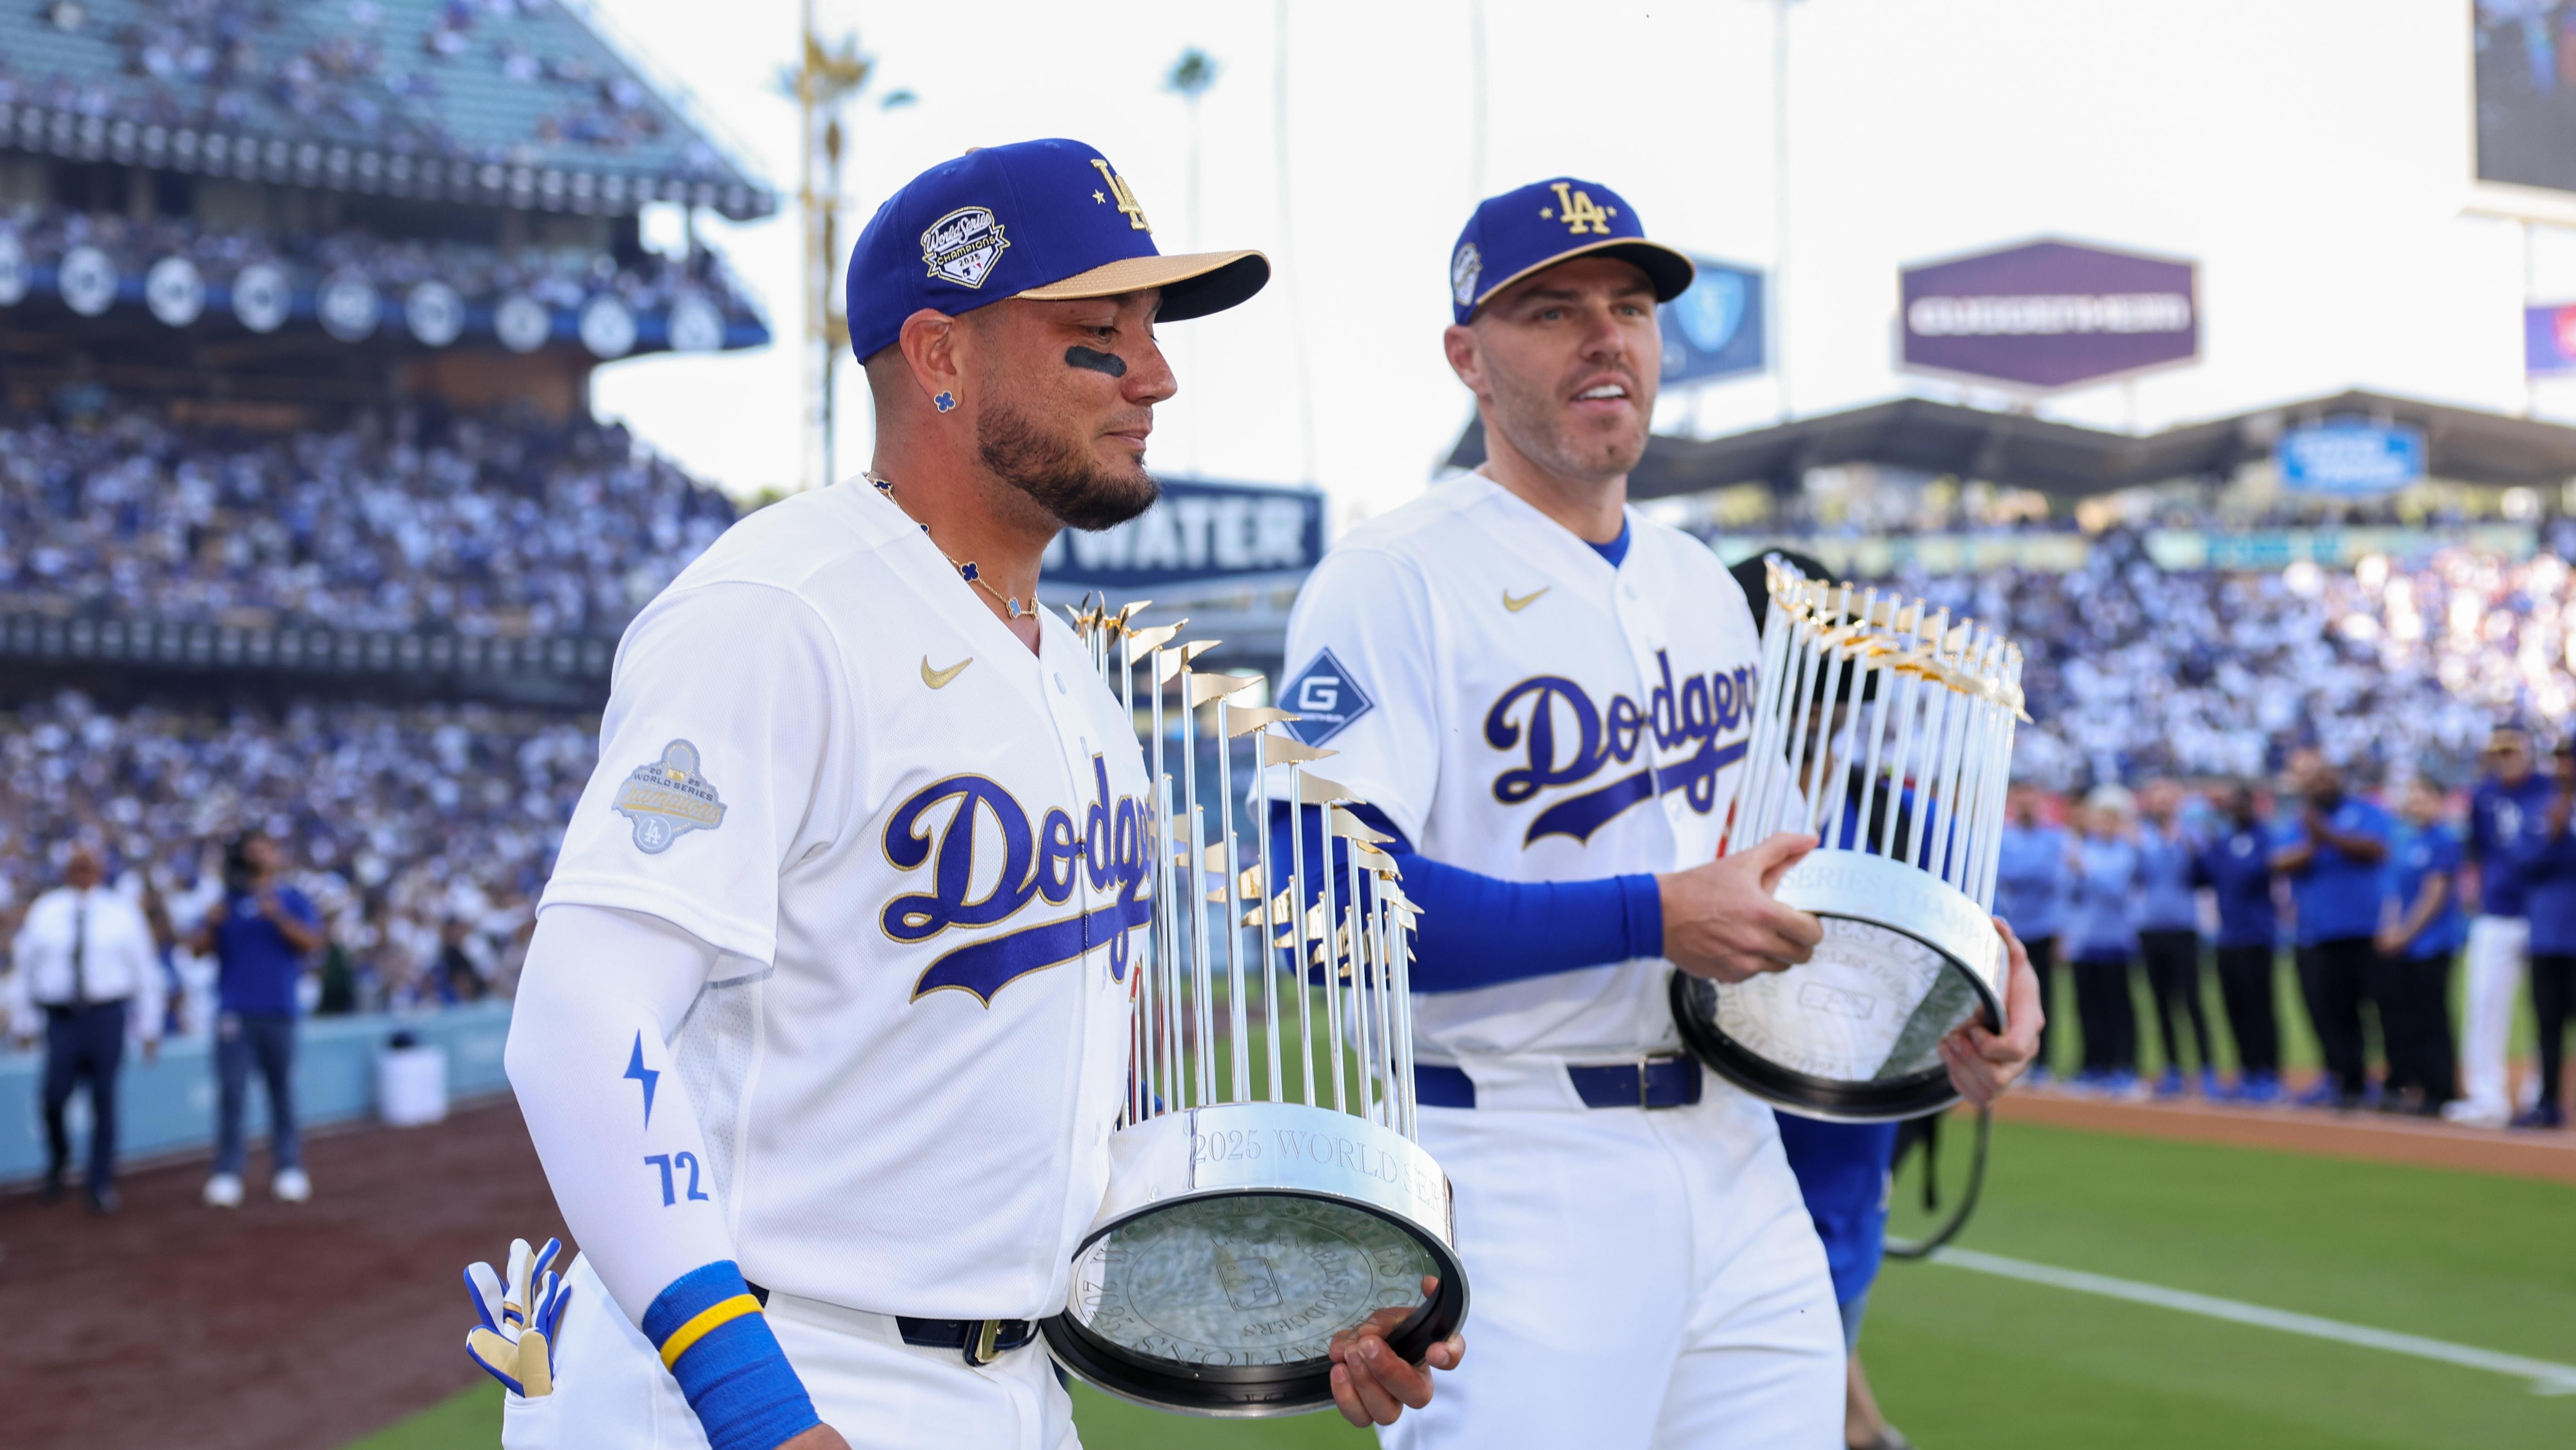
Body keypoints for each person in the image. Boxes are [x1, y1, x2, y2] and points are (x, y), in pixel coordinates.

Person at [485, 140, 1449, 1450]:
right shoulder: (780, 610)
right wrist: (757, 1411)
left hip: (1009, 1386)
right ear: (939, 357)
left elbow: (1041, 1117)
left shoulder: (1075, 681)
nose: (1155, 377)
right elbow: (580, 1027)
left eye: (1152, 332)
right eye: (1097, 338)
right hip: (778, 1370)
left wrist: (1312, 1298)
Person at [1269, 175, 2040, 1450]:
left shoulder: (1697, 584)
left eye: (1630, 305)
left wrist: (1961, 988)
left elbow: (1784, 889)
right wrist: (1648, 915)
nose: (1603, 336)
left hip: (1738, 1155)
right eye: (1551, 310)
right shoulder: (1389, 578)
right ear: (1467, 356)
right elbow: (1319, 903)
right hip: (1518, 1159)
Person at [5, 844, 163, 1214]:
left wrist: (150, 1025)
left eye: (90, 864)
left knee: (104, 1099)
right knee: (53, 1096)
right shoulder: (47, 911)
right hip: (61, 1019)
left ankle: (100, 1181)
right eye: (77, 864)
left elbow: (145, 970)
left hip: (106, 1016)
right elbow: (26, 968)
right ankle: (59, 1161)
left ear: (102, 869)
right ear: (66, 870)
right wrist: (24, 1019)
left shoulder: (121, 912)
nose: (83, 871)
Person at [193, 831, 324, 1208]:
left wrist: (277, 915)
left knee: (281, 1092)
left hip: (279, 1010)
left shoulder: (291, 899)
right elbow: (198, 950)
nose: (257, 856)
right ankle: (227, 1172)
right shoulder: (226, 901)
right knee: (232, 1094)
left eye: (264, 849)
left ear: (276, 855)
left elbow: (312, 945)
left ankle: (289, 1168)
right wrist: (212, 922)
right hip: (235, 1012)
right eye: (251, 849)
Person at [2269, 751, 2392, 1110]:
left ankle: (2390, 1080)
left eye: (2326, 777)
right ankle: (2342, 1080)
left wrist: (2327, 836)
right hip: (2317, 933)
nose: (2321, 784)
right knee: (2328, 1013)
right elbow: (2280, 860)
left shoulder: (2364, 811)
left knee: (2379, 1011)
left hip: (2365, 930)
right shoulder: (2300, 821)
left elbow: (2375, 849)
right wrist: (2316, 840)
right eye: (2314, 780)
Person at [2449, 727, 2551, 1127]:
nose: (2507, 757)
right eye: (2500, 751)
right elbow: (2475, 850)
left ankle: (2540, 1096)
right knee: (2484, 1004)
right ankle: (2487, 1097)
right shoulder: (2484, 795)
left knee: (2547, 1009)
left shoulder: (2550, 791)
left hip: (2544, 914)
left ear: (2528, 750)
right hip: (2496, 912)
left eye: (2513, 749)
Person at [2376, 778, 2463, 1116]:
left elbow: (2434, 895)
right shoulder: (2407, 841)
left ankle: (2440, 1090)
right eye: (2413, 797)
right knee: (2406, 1018)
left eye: (2423, 796)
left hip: (2432, 944)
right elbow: (2396, 892)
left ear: (2440, 801)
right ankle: (2414, 1085)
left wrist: (2403, 933)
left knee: (2432, 1018)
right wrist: (2389, 929)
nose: (2416, 803)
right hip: (2407, 946)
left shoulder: (2444, 840)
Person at [2193, 782, 2283, 1103]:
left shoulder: (2262, 838)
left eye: (2240, 804)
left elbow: (2249, 874)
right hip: (2227, 936)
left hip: (2257, 936)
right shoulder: (2223, 841)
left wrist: (2217, 856)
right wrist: (2197, 851)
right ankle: (2246, 1069)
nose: (2235, 810)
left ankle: (2268, 1071)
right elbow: (2200, 877)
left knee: (2261, 1006)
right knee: (2235, 1007)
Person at [2510, 738, 2576, 1131]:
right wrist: (2554, 837)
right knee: (2547, 1027)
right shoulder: (2542, 811)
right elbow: (2524, 862)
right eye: (2561, 760)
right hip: (2549, 937)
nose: (2564, 767)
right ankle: (2548, 1103)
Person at [2135, 779, 2215, 1098]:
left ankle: (2206, 1069)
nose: (2163, 804)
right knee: (2161, 1003)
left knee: (2192, 1001)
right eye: (2158, 798)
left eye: (2169, 798)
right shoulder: (2141, 836)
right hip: (2151, 929)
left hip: (2184, 928)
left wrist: (2192, 850)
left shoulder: (2193, 835)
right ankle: (2171, 1068)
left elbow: (2205, 877)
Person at [2064, 787, 2143, 1095]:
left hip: (2117, 941)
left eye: (2111, 818)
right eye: (2101, 818)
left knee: (2119, 1007)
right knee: (2088, 1007)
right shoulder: (2085, 849)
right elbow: (2070, 894)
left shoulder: (2125, 851)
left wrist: (2084, 870)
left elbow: (2115, 888)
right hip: (2085, 942)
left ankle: (2124, 1067)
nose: (2105, 824)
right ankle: (2093, 1065)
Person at [1994, 785, 2070, 1085]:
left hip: (2045, 928)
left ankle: (2045, 1064)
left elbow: (2050, 875)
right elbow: (2010, 872)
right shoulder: (2006, 838)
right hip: (2013, 930)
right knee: (2009, 997)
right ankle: (2014, 1060)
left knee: (2046, 997)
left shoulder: (2054, 837)